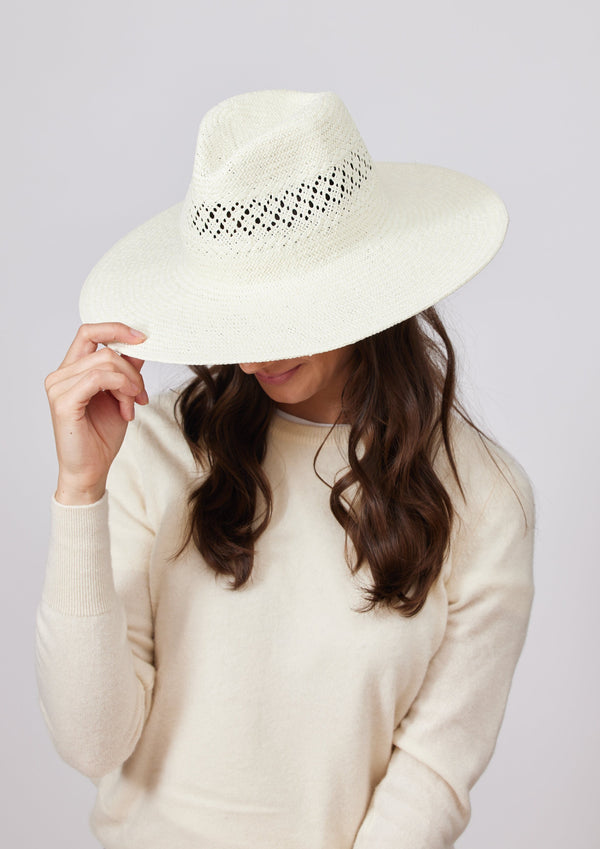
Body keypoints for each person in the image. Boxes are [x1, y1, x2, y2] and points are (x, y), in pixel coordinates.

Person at [36, 89, 536, 849]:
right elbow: (91, 742)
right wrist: (80, 493)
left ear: (367, 278)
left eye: (291, 306)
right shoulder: (159, 447)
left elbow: (432, 773)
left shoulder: (484, 499)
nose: (257, 351)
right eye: (240, 313)